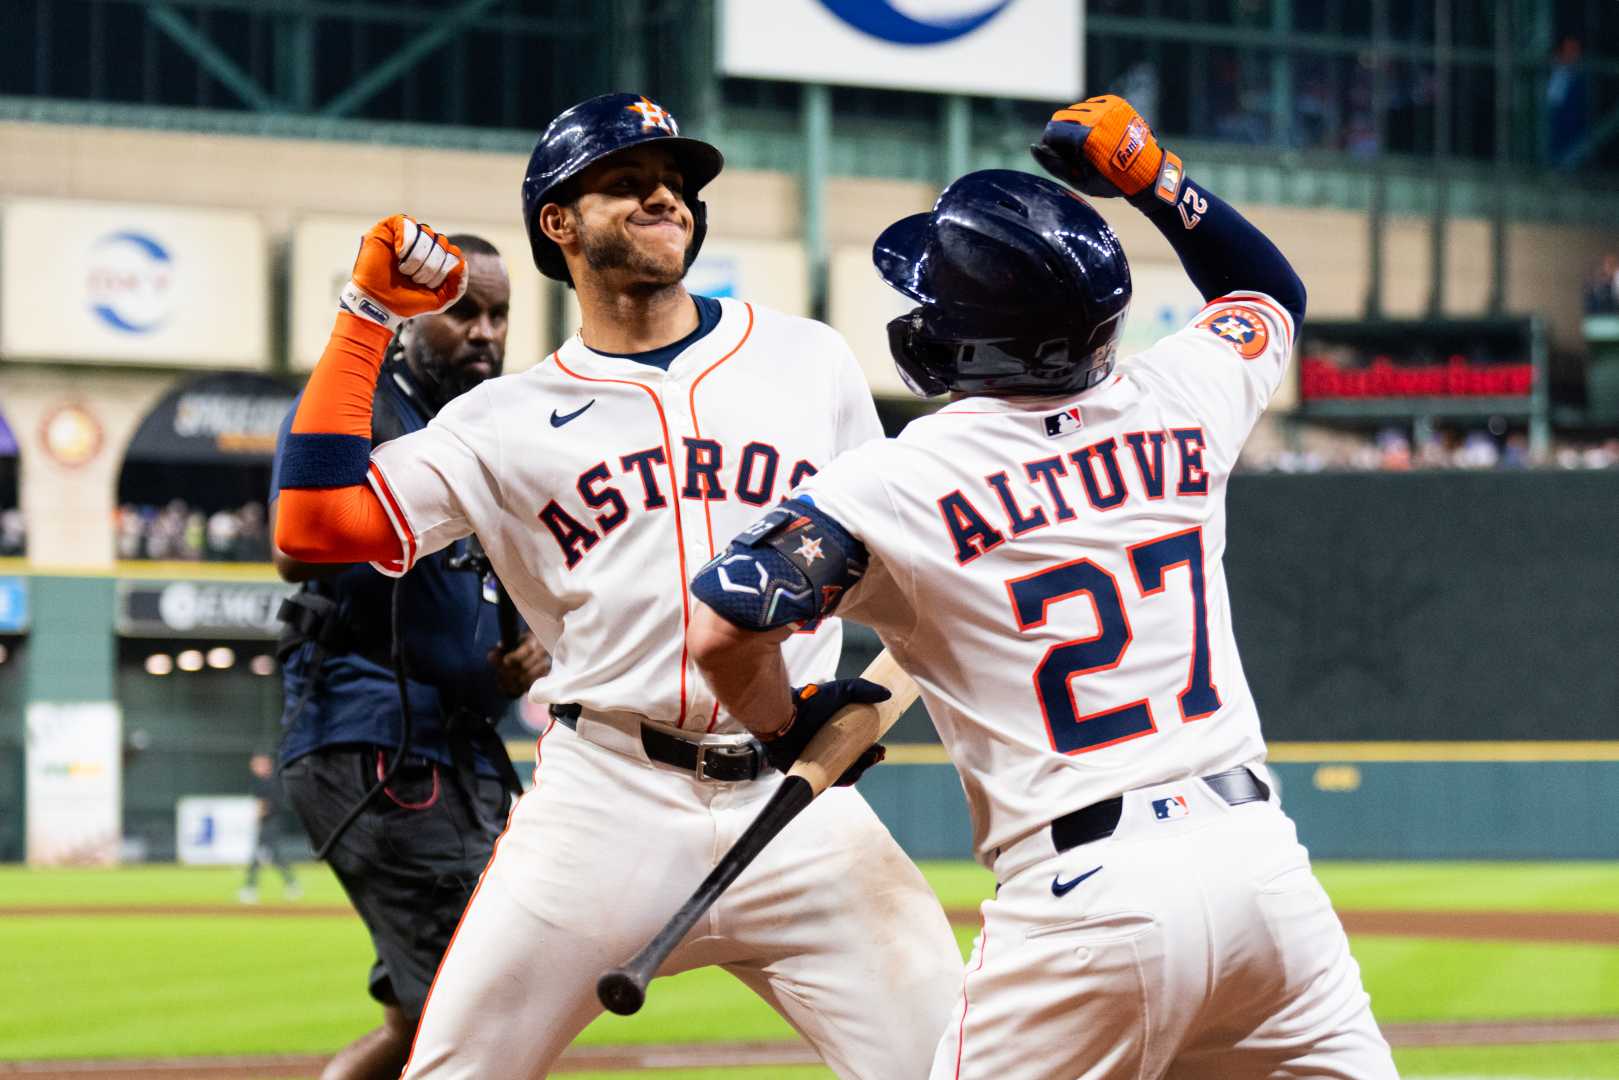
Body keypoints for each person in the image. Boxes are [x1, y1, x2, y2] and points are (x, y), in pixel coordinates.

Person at [689, 95, 1398, 1079]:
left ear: (955, 341)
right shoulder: (1184, 396)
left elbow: (726, 625)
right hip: (1259, 873)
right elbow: (1267, 290)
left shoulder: (898, 480)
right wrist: (1153, 174)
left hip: (1086, 904)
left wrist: (784, 728)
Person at [273, 93, 961, 1079]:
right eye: (626, 181)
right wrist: (368, 315)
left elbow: (899, 573)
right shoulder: (502, 419)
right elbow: (311, 524)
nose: (663, 197)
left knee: (956, 1062)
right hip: (604, 803)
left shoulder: (807, 360)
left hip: (794, 801)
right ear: (558, 223)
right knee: (451, 1070)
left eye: (676, 184)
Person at [267, 232, 550, 1080]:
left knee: (414, 1024)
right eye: (464, 310)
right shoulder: (365, 406)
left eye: (500, 315)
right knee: (479, 1015)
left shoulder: (468, 432)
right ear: (412, 317)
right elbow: (299, 548)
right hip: (377, 746)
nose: (486, 332)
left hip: (449, 747)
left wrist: (506, 666)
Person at [238, 751, 300, 903]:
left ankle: (250, 888)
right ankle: (291, 884)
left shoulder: (273, 781)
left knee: (260, 855)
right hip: (266, 823)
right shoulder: (259, 782)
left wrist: (262, 813)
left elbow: (274, 803)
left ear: (265, 763)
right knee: (273, 856)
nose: (253, 767)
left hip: (272, 822)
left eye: (257, 764)